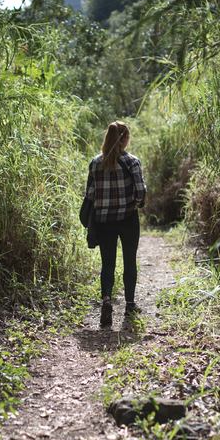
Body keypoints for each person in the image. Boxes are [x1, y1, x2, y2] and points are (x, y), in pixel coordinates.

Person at [85, 121, 147, 327]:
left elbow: (91, 195)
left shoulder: (95, 162)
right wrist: (135, 204)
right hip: (128, 219)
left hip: (104, 221)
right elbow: (140, 192)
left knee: (107, 264)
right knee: (129, 261)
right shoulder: (132, 162)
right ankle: (129, 305)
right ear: (125, 139)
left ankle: (106, 302)